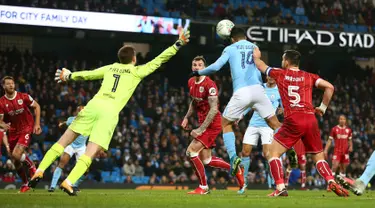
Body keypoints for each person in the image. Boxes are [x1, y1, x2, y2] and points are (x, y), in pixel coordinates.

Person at [28, 29, 190, 196]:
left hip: (93, 105)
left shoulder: (111, 68)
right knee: (90, 152)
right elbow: (159, 60)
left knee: (62, 141)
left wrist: (69, 76)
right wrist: (178, 44)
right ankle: (68, 182)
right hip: (109, 112)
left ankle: (39, 170)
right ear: (133, 59)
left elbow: (88, 75)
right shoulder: (136, 71)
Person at [252, 48, 349, 197]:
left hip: (293, 120)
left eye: (283, 59)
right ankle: (330, 180)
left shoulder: (280, 73)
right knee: (319, 157)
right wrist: (322, 108)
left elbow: (260, 65)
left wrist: (255, 53)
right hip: (311, 119)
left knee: (272, 153)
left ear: (287, 61)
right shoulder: (309, 76)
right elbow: (330, 87)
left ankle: (280, 188)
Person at [190, 27, 282, 176]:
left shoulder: (230, 48)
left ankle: (233, 158)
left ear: (232, 39)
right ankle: (289, 147)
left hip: (242, 91)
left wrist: (198, 72)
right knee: (275, 124)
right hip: (259, 90)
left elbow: (216, 67)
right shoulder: (254, 47)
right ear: (244, 36)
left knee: (224, 123)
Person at [181, 56, 245, 194]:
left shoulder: (210, 85)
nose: (196, 67)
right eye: (194, 64)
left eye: (199, 65)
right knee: (206, 160)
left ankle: (203, 187)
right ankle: (236, 169)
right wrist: (186, 117)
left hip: (213, 123)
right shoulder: (191, 82)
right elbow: (194, 101)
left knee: (191, 152)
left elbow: (214, 109)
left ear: (205, 68)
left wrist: (200, 129)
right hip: (203, 122)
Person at [237, 76, 282, 194]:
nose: (271, 78)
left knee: (268, 154)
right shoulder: (260, 88)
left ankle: (274, 182)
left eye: (273, 75)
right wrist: (241, 115)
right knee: (245, 152)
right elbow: (250, 104)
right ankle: (243, 184)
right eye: (269, 75)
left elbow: (284, 107)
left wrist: (281, 110)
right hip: (254, 124)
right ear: (266, 76)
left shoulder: (280, 90)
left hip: (268, 126)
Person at [0, 76, 41, 193]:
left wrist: (37, 124)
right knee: (15, 160)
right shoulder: (1, 102)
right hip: (13, 131)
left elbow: (37, 106)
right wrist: (2, 124)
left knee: (17, 154)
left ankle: (32, 167)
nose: (11, 85)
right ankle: (25, 183)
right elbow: (1, 120)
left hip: (26, 127)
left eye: (12, 83)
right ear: (3, 86)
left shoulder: (23, 97)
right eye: (8, 84)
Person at [48, 106, 88, 192]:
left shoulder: (90, 122)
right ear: (77, 112)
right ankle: (52, 186)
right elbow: (66, 122)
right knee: (61, 164)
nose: (81, 113)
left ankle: (74, 185)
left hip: (81, 147)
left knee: (85, 170)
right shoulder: (72, 119)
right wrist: (61, 124)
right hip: (71, 145)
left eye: (83, 111)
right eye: (79, 111)